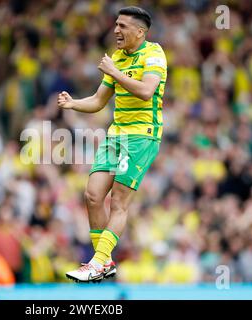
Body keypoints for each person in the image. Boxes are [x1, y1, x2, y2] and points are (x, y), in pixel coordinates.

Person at [58, 6, 168, 282]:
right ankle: (103, 262)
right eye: (116, 25)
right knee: (92, 195)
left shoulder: (154, 53)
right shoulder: (117, 58)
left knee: (118, 202)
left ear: (140, 32)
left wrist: (113, 71)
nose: (116, 30)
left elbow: (145, 91)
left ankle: (97, 262)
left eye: (123, 26)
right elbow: (98, 101)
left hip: (142, 135)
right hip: (116, 135)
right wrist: (73, 103)